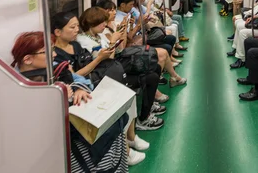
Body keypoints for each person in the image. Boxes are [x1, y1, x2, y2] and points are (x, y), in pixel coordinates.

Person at [11, 31, 130, 172]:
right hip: (62, 136)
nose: (54, 55)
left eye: (53, 49)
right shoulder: (17, 87)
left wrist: (78, 89)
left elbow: (82, 82)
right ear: (28, 59)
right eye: (47, 51)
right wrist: (58, 99)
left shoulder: (55, 69)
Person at [51, 11, 165, 131]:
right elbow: (74, 76)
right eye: (72, 27)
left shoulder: (76, 45)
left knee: (153, 69)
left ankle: (142, 118)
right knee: (150, 77)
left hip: (99, 74)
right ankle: (141, 120)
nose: (76, 30)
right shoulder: (57, 55)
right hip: (93, 82)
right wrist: (101, 56)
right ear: (58, 32)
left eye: (77, 26)